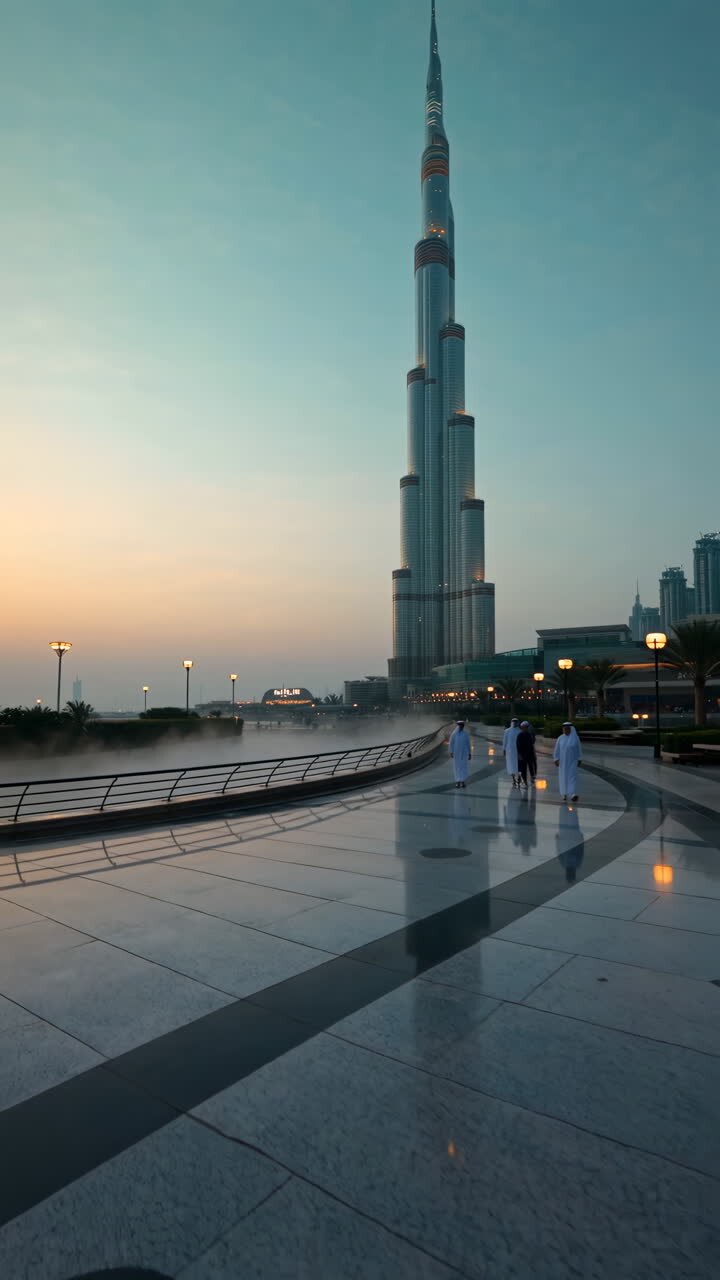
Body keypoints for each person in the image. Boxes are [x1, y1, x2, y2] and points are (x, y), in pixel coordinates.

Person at [553, 722, 582, 801]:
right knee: (563, 777)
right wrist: (556, 759)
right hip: (563, 762)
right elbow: (557, 750)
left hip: (573, 761)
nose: (565, 730)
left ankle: (572, 794)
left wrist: (579, 759)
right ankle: (564, 794)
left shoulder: (575, 738)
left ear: (570, 729)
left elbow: (579, 749)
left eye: (567, 729)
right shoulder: (560, 738)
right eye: (564, 729)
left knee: (572, 777)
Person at [448, 720, 472, 788]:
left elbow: (468, 744)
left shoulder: (465, 734)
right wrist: (451, 752)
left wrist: (469, 753)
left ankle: (463, 781)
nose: (461, 727)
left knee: (463, 767)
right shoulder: (454, 734)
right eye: (460, 725)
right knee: (456, 767)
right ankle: (457, 782)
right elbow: (451, 744)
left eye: (462, 725)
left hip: (464, 754)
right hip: (456, 754)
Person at [516, 721, 537, 788]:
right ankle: (523, 781)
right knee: (522, 769)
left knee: (531, 767)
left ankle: (532, 779)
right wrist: (519, 755)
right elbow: (518, 746)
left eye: (527, 727)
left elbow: (531, 745)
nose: (526, 728)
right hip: (522, 755)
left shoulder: (529, 735)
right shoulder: (520, 735)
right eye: (525, 727)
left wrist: (533, 754)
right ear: (522, 728)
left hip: (529, 755)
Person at [502, 717, 521, 787]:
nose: (514, 723)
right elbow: (505, 741)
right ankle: (513, 779)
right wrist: (503, 749)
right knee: (511, 765)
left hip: (517, 752)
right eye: (513, 721)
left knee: (518, 765)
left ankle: (519, 777)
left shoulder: (520, 731)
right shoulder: (507, 731)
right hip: (509, 751)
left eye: (516, 722)